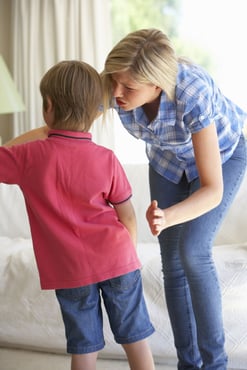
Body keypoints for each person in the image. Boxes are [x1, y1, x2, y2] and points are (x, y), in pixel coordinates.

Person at [100, 29, 247, 370]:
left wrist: (169, 217)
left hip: (223, 157)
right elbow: (67, 119)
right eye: (114, 81)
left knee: (193, 251)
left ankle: (215, 365)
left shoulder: (191, 92)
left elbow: (212, 189)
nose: (116, 93)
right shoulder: (118, 84)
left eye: (129, 87)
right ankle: (188, 364)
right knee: (173, 265)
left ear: (157, 85)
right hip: (168, 162)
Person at [0, 60, 155, 370]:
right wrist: (129, 255)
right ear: (94, 112)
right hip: (118, 259)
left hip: (70, 271)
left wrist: (45, 131)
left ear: (48, 105)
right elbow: (127, 216)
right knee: (135, 338)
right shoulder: (106, 159)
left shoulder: (28, 158)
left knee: (84, 346)